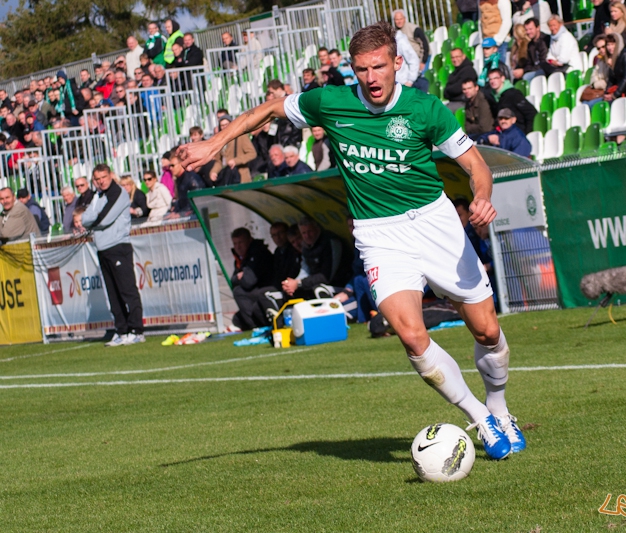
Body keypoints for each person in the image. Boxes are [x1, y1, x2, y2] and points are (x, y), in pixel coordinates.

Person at [178, 21, 523, 460]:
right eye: (361, 69)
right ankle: (480, 417)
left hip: (435, 224)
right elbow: (266, 111)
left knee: (488, 330)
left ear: (397, 63)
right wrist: (214, 143)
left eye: (379, 67)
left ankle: (499, 405)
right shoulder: (331, 101)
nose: (371, 78)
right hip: (380, 234)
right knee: (413, 338)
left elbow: (477, 165)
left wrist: (482, 198)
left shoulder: (425, 108)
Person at [76, 164, 144, 346]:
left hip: (118, 246)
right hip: (102, 248)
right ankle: (121, 330)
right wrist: (93, 220)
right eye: (97, 179)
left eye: (104, 177)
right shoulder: (98, 196)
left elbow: (104, 218)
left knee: (127, 289)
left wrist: (93, 222)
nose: (101, 181)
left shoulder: (118, 193)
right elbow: (85, 218)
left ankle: (136, 330)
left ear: (110, 175)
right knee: (112, 293)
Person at [279, 217, 352, 299]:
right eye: (304, 233)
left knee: (317, 290)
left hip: (339, 284)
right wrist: (291, 283)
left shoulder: (330, 242)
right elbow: (305, 270)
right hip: (318, 283)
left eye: (310, 231)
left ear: (317, 229)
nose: (307, 236)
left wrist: (299, 283)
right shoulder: (306, 246)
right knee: (290, 291)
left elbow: (326, 277)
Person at [230, 227, 276, 331]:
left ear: (249, 240)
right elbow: (233, 280)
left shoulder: (258, 253)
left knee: (239, 291)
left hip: (267, 289)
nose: (238, 247)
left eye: (240, 242)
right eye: (235, 243)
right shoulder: (240, 258)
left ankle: (256, 327)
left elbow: (248, 282)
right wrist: (238, 277)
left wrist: (240, 277)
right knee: (237, 319)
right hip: (256, 292)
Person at [210, 114, 257, 184]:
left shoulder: (240, 136)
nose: (224, 127)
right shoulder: (220, 141)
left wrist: (236, 161)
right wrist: (214, 172)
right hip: (228, 177)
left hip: (241, 177)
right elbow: (219, 161)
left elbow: (252, 153)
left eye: (226, 124)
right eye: (222, 125)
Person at [486, 68, 537, 133]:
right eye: (490, 79)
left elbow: (531, 112)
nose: (492, 81)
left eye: (496, 78)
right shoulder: (493, 97)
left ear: (503, 78)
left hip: (518, 132)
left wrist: (526, 133)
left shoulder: (513, 94)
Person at [166, 152, 205, 218]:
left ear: (181, 164)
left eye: (172, 165)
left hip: (196, 216)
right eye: (169, 166)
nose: (170, 168)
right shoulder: (179, 179)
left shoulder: (191, 178)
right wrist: (175, 211)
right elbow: (181, 201)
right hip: (187, 214)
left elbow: (197, 201)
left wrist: (180, 214)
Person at [393, 9, 430, 73]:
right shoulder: (395, 32)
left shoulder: (414, 29)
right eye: (397, 19)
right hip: (410, 61)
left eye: (400, 19)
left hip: (422, 57)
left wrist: (423, 61)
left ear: (405, 18)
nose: (399, 21)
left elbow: (425, 44)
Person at [515, 17, 550, 82]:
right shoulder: (530, 45)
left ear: (538, 28)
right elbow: (529, 63)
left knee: (526, 77)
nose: (528, 32)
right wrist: (523, 70)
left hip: (546, 69)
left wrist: (524, 71)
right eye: (526, 30)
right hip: (536, 69)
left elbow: (543, 62)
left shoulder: (545, 40)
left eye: (530, 29)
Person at [270, 222, 302, 286]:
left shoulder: (295, 248)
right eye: (274, 235)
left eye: (280, 233)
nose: (278, 237)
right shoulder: (278, 251)